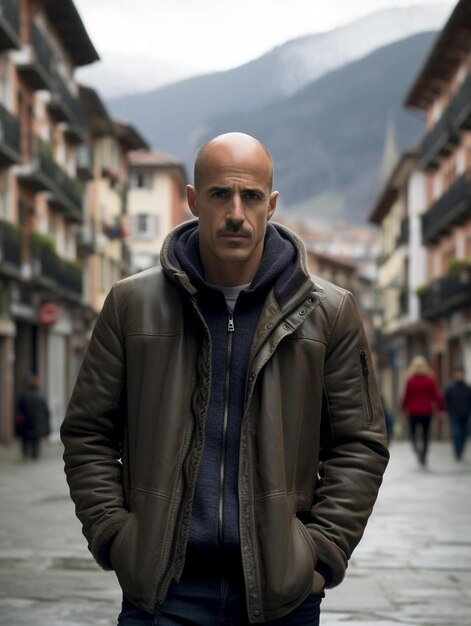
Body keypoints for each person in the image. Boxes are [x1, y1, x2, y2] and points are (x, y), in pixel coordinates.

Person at [61, 132, 389, 626]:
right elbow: (87, 432)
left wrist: (320, 553)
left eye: (251, 196)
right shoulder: (131, 306)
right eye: (220, 195)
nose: (236, 212)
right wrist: (114, 534)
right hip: (163, 596)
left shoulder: (330, 312)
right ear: (194, 201)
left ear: (271, 205)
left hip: (282, 597)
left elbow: (360, 443)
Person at [401, 355, 444, 466]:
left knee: (413, 433)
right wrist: (441, 408)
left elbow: (406, 396)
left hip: (413, 411)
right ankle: (424, 454)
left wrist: (402, 408)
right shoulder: (430, 380)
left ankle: (418, 451)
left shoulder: (410, 380)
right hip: (426, 411)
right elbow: (436, 395)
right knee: (426, 434)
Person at [16, 374, 50, 460]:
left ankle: (25, 455)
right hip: (38, 422)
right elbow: (46, 411)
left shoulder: (24, 395)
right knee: (36, 440)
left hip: (26, 422)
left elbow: (19, 408)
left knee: (25, 439)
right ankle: (35, 455)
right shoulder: (41, 396)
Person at [445, 366, 471, 461]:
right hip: (454, 415)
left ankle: (460, 451)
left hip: (465, 415)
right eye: (457, 373)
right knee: (457, 434)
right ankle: (457, 452)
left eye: (461, 373)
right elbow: (446, 401)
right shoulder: (450, 388)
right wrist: (448, 411)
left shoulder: (467, 388)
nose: (459, 375)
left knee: (464, 434)